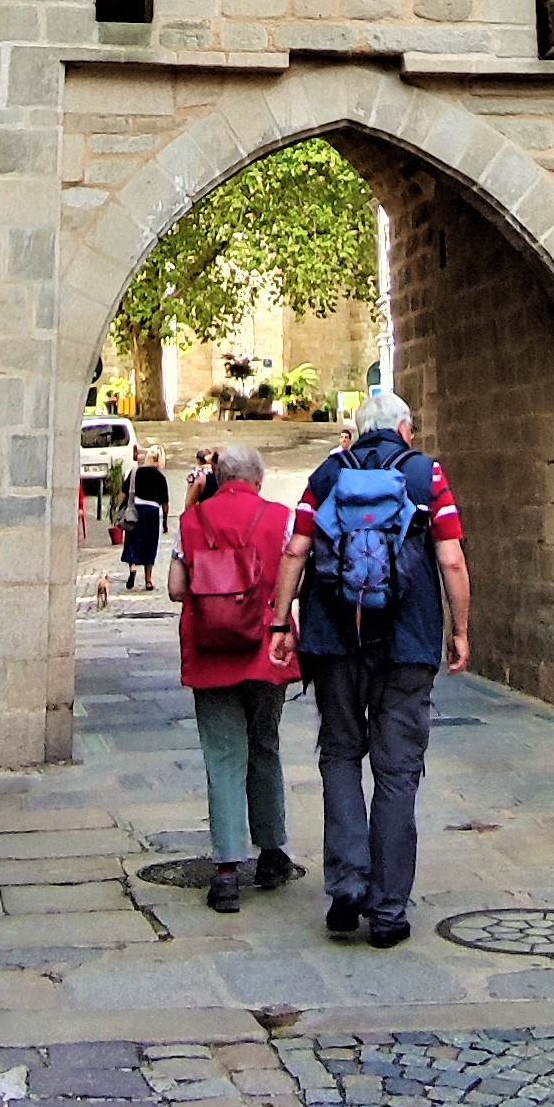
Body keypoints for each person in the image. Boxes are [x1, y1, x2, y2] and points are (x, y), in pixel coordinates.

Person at [265, 386, 469, 947]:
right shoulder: (428, 476)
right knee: (397, 771)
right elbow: (451, 559)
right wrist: (459, 630)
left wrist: (281, 624)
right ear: (405, 430)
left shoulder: (327, 475)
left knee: (339, 756)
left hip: (334, 641)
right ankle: (388, 911)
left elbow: (296, 550)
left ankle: (346, 888)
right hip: (407, 643)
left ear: (356, 431)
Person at [167, 445, 302, 913]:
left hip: (211, 653)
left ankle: (226, 871)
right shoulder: (280, 517)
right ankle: (272, 851)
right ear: (258, 479)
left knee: (223, 754)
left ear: (219, 478)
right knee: (265, 743)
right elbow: (296, 581)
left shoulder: (191, 521)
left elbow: (176, 588)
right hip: (266, 649)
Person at [121, 453, 169, 591]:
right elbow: (165, 503)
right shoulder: (160, 477)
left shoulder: (135, 472)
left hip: (135, 510)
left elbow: (124, 493)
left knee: (133, 540)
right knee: (150, 544)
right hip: (152, 512)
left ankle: (133, 567)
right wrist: (165, 522)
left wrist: (119, 510)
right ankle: (148, 580)